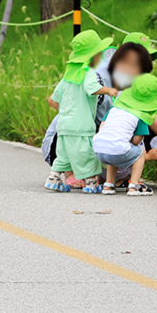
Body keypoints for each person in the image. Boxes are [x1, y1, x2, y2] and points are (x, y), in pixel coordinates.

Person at [45, 31, 117, 194]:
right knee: (87, 154)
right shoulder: (88, 71)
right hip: (81, 125)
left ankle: (53, 179)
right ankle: (91, 184)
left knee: (63, 156)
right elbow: (91, 88)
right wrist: (109, 91)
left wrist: (67, 111)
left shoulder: (68, 76)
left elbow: (52, 100)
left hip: (63, 125)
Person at [92, 73, 157, 196]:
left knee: (115, 148)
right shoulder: (140, 116)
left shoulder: (114, 108)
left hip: (98, 149)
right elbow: (136, 141)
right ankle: (134, 185)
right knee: (140, 152)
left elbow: (102, 126)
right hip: (116, 148)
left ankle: (108, 184)